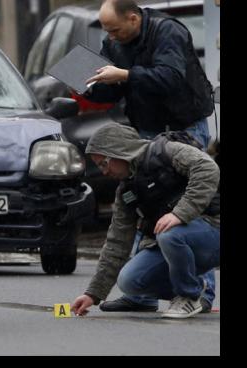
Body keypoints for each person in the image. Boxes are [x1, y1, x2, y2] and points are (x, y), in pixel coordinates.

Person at [83, 0, 217, 313]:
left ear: (133, 18)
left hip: (183, 126)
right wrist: (87, 86)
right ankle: (140, 294)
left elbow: (169, 77)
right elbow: (112, 90)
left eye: (114, 29)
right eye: (106, 31)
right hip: (146, 128)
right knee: (142, 204)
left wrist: (126, 74)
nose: (110, 37)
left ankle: (202, 294)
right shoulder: (115, 42)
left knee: (184, 207)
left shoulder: (167, 31)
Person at [71, 123, 220, 319]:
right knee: (130, 281)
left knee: (168, 234)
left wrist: (180, 213)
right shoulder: (126, 191)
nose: (103, 172)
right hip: (176, 239)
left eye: (103, 163)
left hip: (212, 230)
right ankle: (195, 291)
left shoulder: (166, 151)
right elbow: (117, 243)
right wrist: (93, 293)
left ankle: (188, 296)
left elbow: (208, 168)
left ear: (119, 151)